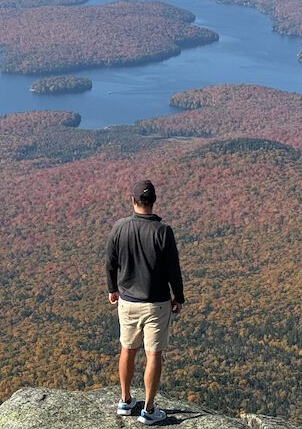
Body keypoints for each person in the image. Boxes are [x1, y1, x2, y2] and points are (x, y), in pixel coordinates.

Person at [105, 179, 185, 425]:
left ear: (133, 201)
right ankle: (149, 410)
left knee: (127, 349)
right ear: (154, 202)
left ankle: (125, 400)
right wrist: (178, 297)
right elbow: (174, 269)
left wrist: (112, 289)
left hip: (127, 301)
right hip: (156, 303)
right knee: (153, 355)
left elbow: (110, 261)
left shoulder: (120, 227)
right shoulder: (163, 231)